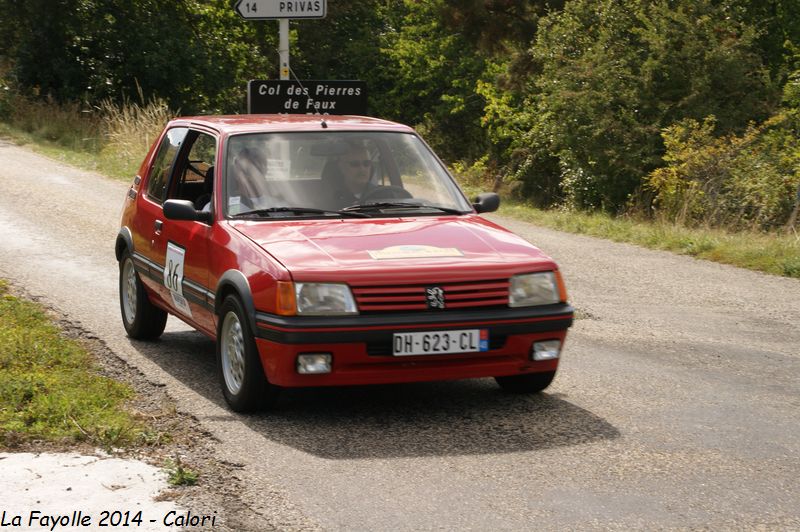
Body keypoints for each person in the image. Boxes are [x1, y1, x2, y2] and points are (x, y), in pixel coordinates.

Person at [327, 142, 375, 207]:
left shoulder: (384, 194)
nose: (362, 169)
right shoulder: (330, 197)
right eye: (355, 164)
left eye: (366, 163)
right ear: (341, 167)